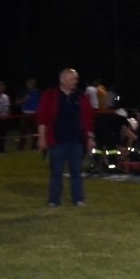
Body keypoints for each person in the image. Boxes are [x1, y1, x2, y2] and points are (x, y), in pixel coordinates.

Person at [36, 68, 95, 207]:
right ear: (63, 81)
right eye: (72, 79)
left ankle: (78, 198)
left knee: (76, 172)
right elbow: (42, 118)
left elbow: (88, 119)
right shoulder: (49, 95)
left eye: (76, 79)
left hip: (76, 142)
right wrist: (42, 138)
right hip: (57, 142)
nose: (76, 81)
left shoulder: (81, 97)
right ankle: (54, 199)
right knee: (56, 172)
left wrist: (90, 137)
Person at [91, 108, 137, 172]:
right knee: (111, 147)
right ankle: (113, 166)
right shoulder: (123, 121)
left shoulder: (113, 118)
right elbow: (123, 132)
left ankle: (96, 165)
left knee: (99, 147)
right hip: (104, 128)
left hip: (97, 125)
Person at [15, 77, 41, 150]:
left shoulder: (37, 91)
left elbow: (41, 102)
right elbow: (16, 102)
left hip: (35, 114)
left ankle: (34, 146)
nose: (30, 84)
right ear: (26, 83)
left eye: (32, 82)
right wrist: (24, 100)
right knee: (23, 132)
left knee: (35, 131)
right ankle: (20, 147)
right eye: (29, 82)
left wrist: (39, 109)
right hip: (25, 113)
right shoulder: (23, 92)